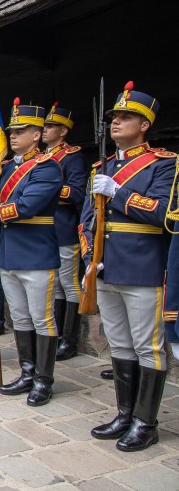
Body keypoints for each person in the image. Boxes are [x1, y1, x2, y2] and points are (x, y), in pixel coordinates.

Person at [81, 81, 175, 451]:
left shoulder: (165, 164)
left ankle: (146, 422)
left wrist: (118, 193)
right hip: (106, 267)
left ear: (144, 125)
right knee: (118, 343)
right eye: (114, 117)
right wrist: (91, 258)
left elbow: (164, 214)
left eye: (125, 117)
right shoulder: (100, 167)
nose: (116, 123)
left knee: (148, 346)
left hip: (142, 265)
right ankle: (124, 413)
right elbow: (85, 221)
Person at [0, 100, 63, 407]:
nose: (14, 136)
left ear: (37, 134)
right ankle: (27, 372)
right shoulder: (5, 169)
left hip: (36, 253)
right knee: (19, 317)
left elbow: (29, 206)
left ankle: (44, 380)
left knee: (42, 319)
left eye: (22, 131)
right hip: (11, 253)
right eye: (12, 131)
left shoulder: (47, 167)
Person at [43, 103, 87, 360]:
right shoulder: (40, 157)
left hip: (64, 226)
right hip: (45, 228)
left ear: (63, 131)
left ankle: (69, 340)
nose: (45, 130)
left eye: (50, 127)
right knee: (56, 286)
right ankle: (58, 333)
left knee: (69, 284)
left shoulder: (72, 156)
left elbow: (76, 192)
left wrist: (45, 190)